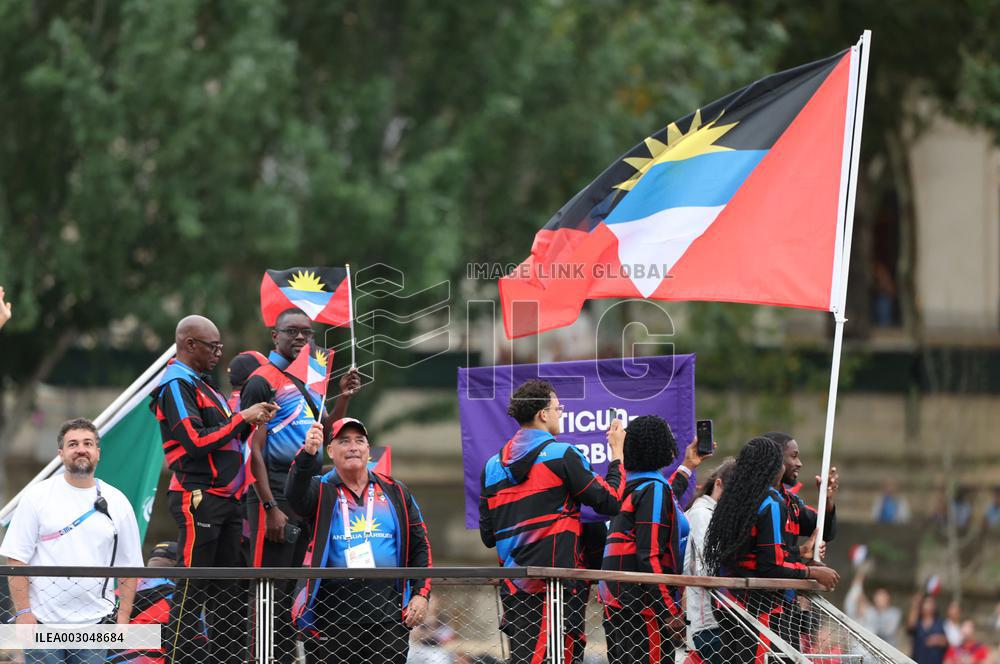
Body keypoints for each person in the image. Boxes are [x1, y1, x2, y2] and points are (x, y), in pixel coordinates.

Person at [150, 315, 278, 664]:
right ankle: (175, 659)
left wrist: (253, 420)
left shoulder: (204, 384)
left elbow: (226, 437)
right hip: (199, 497)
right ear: (190, 344)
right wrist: (242, 418)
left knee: (228, 594)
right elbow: (193, 441)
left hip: (226, 499)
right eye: (213, 346)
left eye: (221, 345)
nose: (219, 352)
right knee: (193, 589)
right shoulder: (176, 384)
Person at [239, 307, 360, 662]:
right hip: (273, 491)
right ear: (274, 335)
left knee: (293, 588)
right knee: (267, 589)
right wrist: (269, 507)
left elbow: (327, 431)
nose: (301, 339)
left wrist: (343, 396)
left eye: (307, 333)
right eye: (292, 331)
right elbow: (253, 450)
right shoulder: (262, 380)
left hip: (304, 488)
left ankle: (284, 656)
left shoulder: (306, 381)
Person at [478, 379, 625, 664]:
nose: (561, 413)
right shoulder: (563, 455)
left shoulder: (491, 466)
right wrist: (617, 453)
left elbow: (488, 536)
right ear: (543, 414)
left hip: (514, 589)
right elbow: (610, 501)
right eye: (559, 408)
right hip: (556, 588)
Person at [287, 418, 432, 663]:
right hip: (332, 614)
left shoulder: (395, 490)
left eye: (360, 441)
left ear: (368, 449)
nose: (353, 447)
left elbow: (420, 545)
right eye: (344, 441)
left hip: (388, 612)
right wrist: (307, 455)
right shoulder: (319, 488)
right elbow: (295, 496)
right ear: (330, 451)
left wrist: (421, 593)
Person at [0, 418, 144, 664]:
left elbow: (130, 566)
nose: (81, 449)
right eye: (73, 444)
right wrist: (24, 613)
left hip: (96, 623)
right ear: (61, 453)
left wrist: (123, 617)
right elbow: (16, 559)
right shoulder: (37, 497)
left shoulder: (117, 501)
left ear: (98, 452)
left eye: (88, 443)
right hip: (42, 623)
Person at [703, 437, 839, 664]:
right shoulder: (771, 503)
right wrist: (811, 572)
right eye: (791, 457)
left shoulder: (744, 498)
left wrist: (826, 500)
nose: (797, 464)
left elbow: (759, 555)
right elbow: (771, 565)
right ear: (774, 463)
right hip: (762, 611)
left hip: (735, 606)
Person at [598, 415, 705, 664]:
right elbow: (649, 555)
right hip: (643, 609)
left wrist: (688, 466)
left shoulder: (630, 485)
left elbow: (666, 501)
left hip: (616, 604)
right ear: (659, 445)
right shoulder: (654, 489)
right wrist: (669, 612)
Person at [684, 457, 737, 664]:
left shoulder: (714, 515)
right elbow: (707, 567)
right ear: (718, 484)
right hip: (708, 620)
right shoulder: (701, 513)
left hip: (717, 619)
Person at [844, 562, 902, 646]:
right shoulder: (869, 611)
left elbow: (886, 632)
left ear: (888, 597)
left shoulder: (895, 613)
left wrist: (868, 614)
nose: (879, 599)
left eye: (882, 596)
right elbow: (851, 602)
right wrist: (860, 576)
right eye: (878, 596)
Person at [907, 594, 948, 664]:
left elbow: (946, 642)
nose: (930, 605)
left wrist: (937, 640)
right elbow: (910, 626)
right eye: (927, 602)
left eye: (932, 602)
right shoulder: (918, 621)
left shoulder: (940, 622)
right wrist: (915, 605)